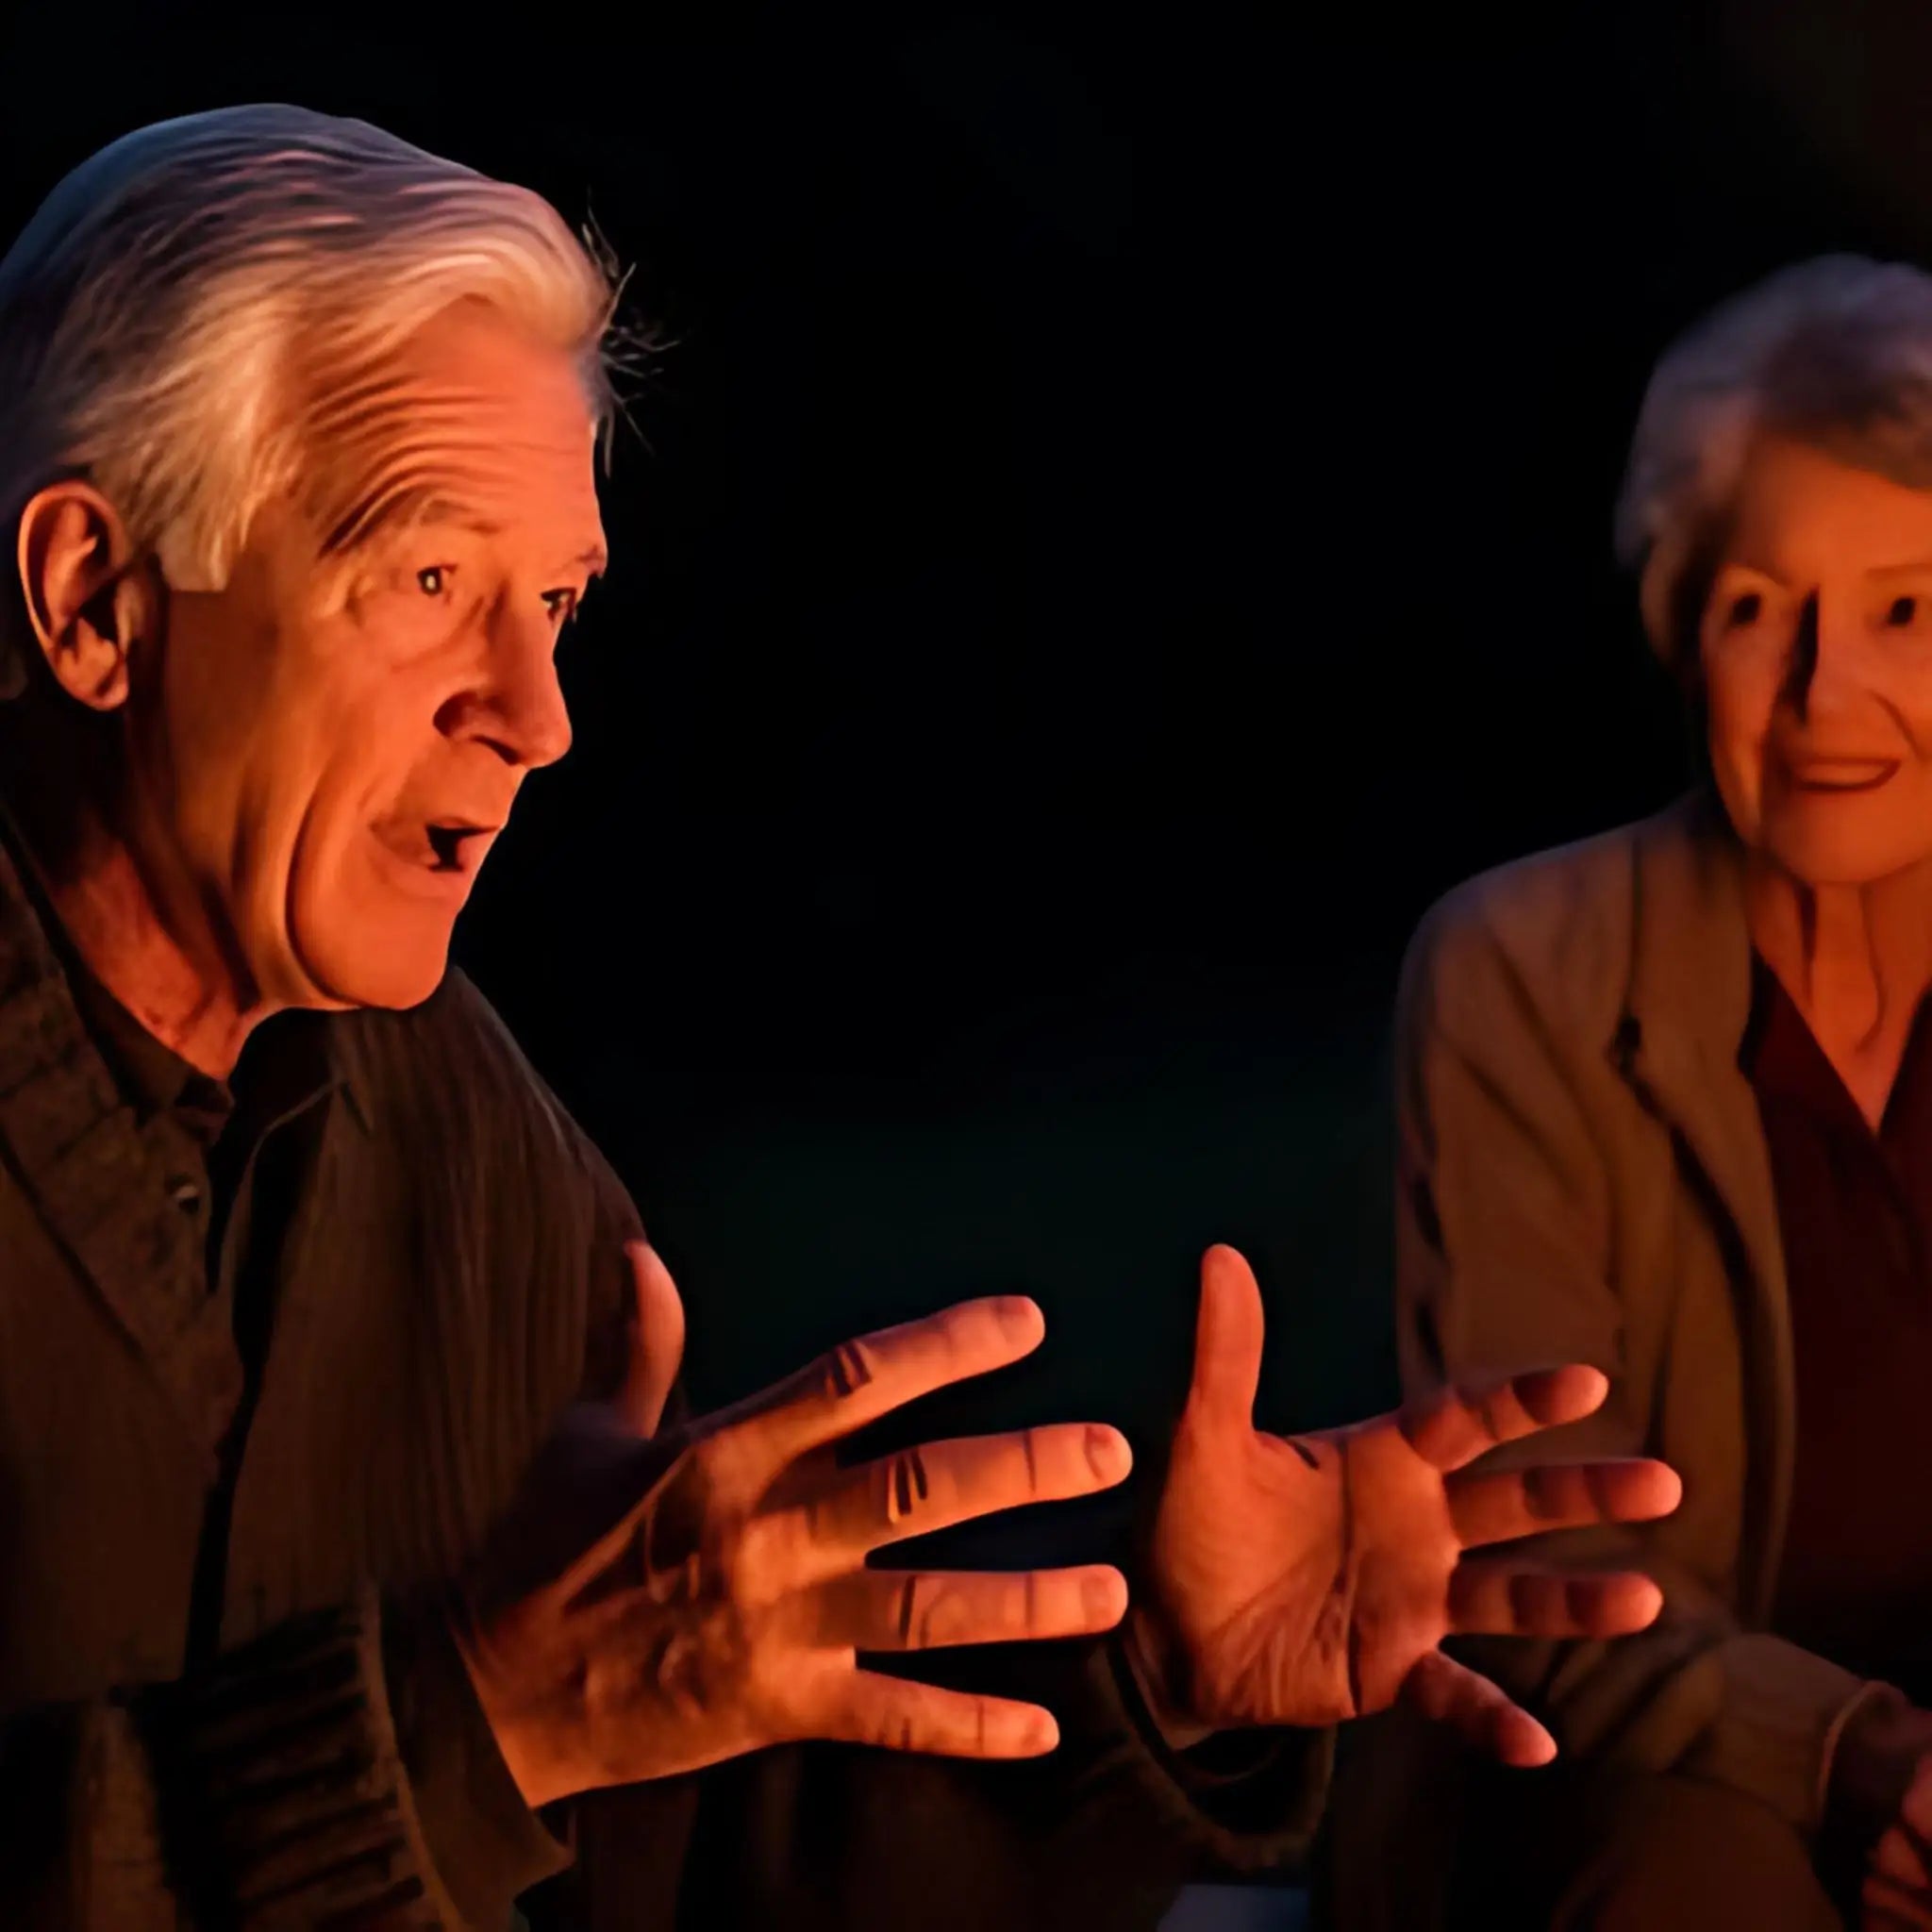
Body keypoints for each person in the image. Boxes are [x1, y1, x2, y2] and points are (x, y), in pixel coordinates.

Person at [0, 105, 1680, 1931]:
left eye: (555, 602)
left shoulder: (460, 1142)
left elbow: (653, 1834)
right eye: (424, 582)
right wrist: (461, 1727)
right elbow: (504, 1743)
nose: (535, 710)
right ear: (98, 599)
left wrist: (1151, 1683)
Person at [1321, 255, 1932, 1932]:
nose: (1826, 697)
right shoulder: (1525, 971)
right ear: (1684, 630)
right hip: (1631, 1778)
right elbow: (1540, 1574)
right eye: (1759, 610)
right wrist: (1868, 1764)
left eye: (1905, 610)